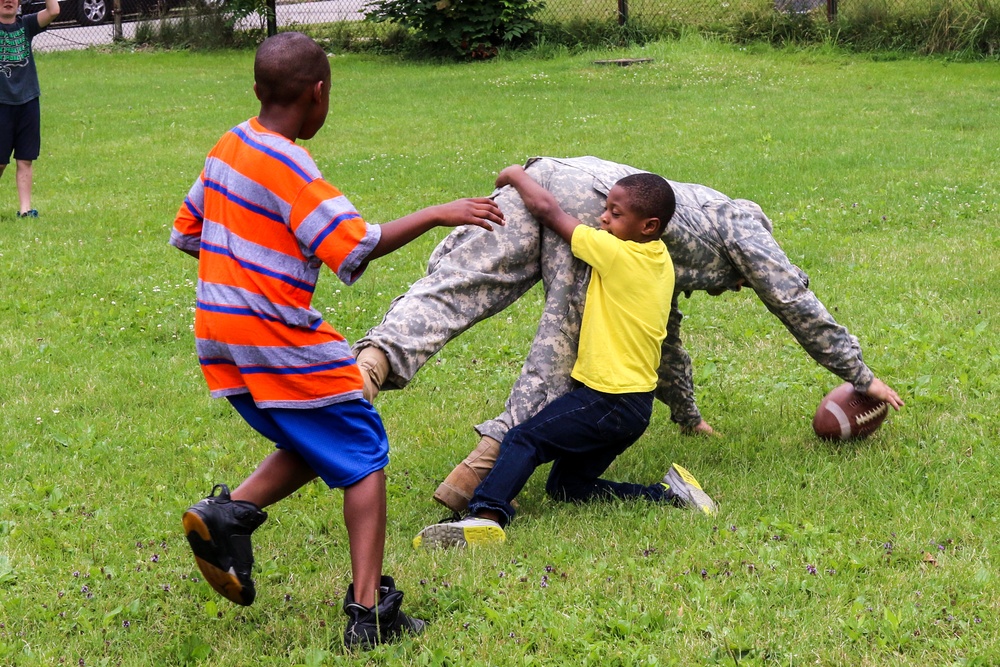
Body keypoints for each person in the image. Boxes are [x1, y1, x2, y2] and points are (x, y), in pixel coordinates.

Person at [170, 32, 503, 648]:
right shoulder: (292, 166)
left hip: (218, 331)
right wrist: (438, 212)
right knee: (365, 448)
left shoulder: (228, 145)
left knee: (321, 430)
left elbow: (190, 228)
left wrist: (246, 258)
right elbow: (356, 244)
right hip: (274, 334)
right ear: (318, 94)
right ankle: (369, 613)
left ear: (256, 90)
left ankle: (228, 515)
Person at [352, 157, 904, 513]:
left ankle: (369, 365)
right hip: (588, 201)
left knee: (457, 285)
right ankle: (483, 473)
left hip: (547, 172)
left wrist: (687, 415)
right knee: (563, 343)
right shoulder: (737, 224)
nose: (736, 289)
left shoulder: (669, 247)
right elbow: (793, 298)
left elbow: (663, 336)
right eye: (740, 282)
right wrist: (861, 374)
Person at [412, 165, 715, 548]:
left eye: (616, 214)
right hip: (634, 407)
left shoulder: (616, 253)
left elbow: (549, 212)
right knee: (569, 487)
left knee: (524, 439)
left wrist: (515, 175)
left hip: (610, 399)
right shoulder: (659, 260)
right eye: (606, 208)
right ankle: (670, 495)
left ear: (649, 226)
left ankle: (485, 516)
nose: (603, 217)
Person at [0, 0, 59, 218]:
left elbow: (53, 10)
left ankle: (25, 210)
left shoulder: (26, 25)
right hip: (2, 103)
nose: (8, 1)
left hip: (28, 101)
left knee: (25, 158)